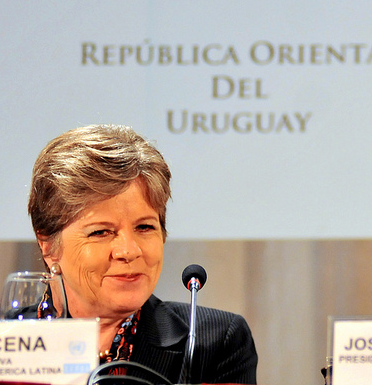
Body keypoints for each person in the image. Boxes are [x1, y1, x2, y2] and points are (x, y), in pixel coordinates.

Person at [28, 124, 258, 384]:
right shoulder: (3, 342)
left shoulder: (212, 341)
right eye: (101, 232)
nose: (129, 251)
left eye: (145, 227)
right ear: (48, 245)